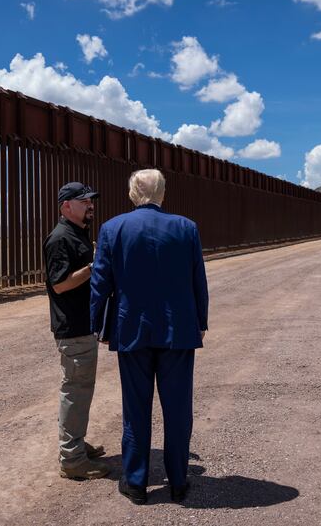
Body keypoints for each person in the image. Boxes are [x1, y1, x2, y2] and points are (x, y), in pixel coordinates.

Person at [90, 169, 209, 505]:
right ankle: (178, 482)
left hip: (131, 331)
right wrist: (200, 320)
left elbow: (101, 282)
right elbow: (197, 278)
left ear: (132, 193)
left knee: (136, 409)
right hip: (178, 331)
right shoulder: (186, 228)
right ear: (162, 193)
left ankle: (137, 483)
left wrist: (98, 324)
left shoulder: (113, 229)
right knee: (178, 410)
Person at [44, 182, 109, 480]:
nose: (90, 205)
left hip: (83, 326)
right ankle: (72, 458)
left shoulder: (76, 234)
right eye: (84, 202)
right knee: (75, 390)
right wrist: (93, 268)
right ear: (66, 206)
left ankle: (76, 444)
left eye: (91, 201)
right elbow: (59, 283)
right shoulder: (59, 239)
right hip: (72, 328)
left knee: (81, 390)